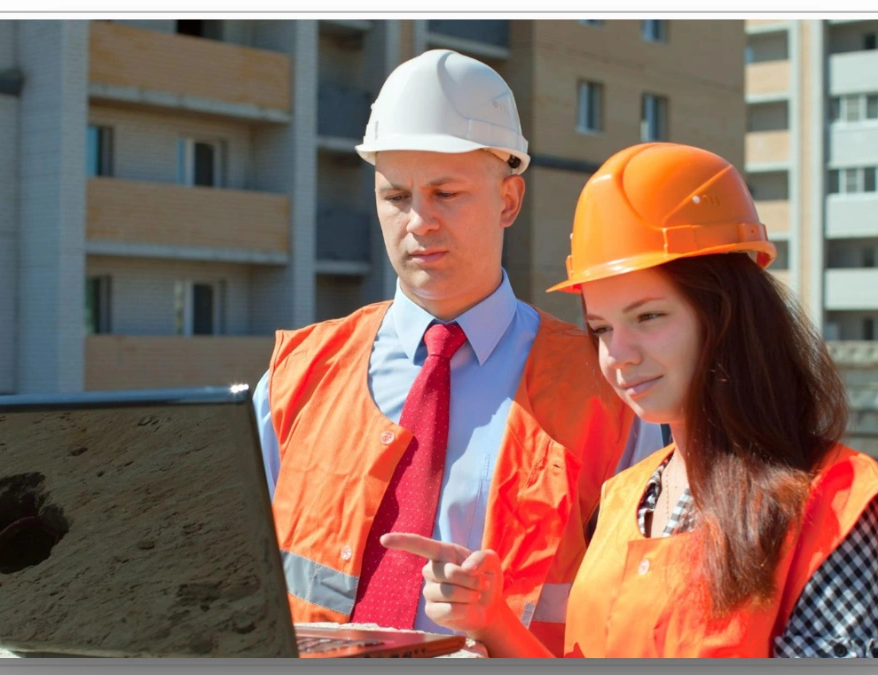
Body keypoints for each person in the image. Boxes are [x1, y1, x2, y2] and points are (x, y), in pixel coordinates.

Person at [384, 142, 878, 658]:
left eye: (648, 317)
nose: (617, 354)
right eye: (601, 328)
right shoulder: (627, 496)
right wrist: (495, 622)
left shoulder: (836, 503)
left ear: (727, 317)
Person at [250, 49, 664, 654]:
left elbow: (636, 619)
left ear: (509, 201)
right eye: (396, 196)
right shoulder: (297, 375)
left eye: (446, 193)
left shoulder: (608, 388)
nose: (419, 220)